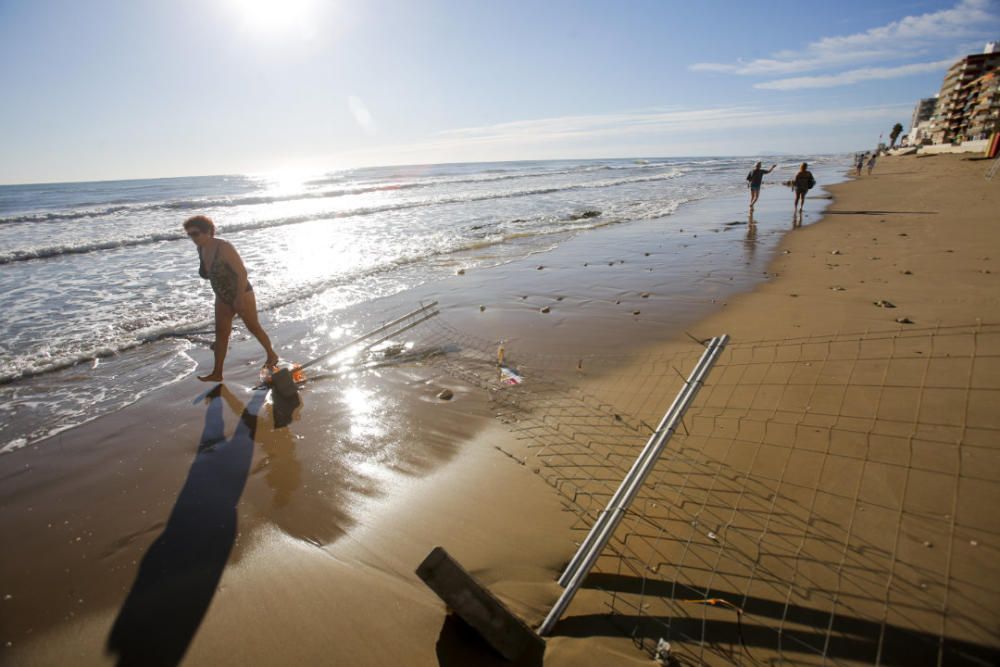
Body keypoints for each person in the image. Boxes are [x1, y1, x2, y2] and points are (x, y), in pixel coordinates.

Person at [184, 215, 279, 382]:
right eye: (189, 234)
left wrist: (239, 298)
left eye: (196, 233)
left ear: (208, 231)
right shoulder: (201, 248)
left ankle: (272, 355)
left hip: (241, 293)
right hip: (221, 297)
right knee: (221, 334)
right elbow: (208, 274)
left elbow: (242, 272)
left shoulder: (224, 247)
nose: (193, 238)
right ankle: (217, 373)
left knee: (253, 327)